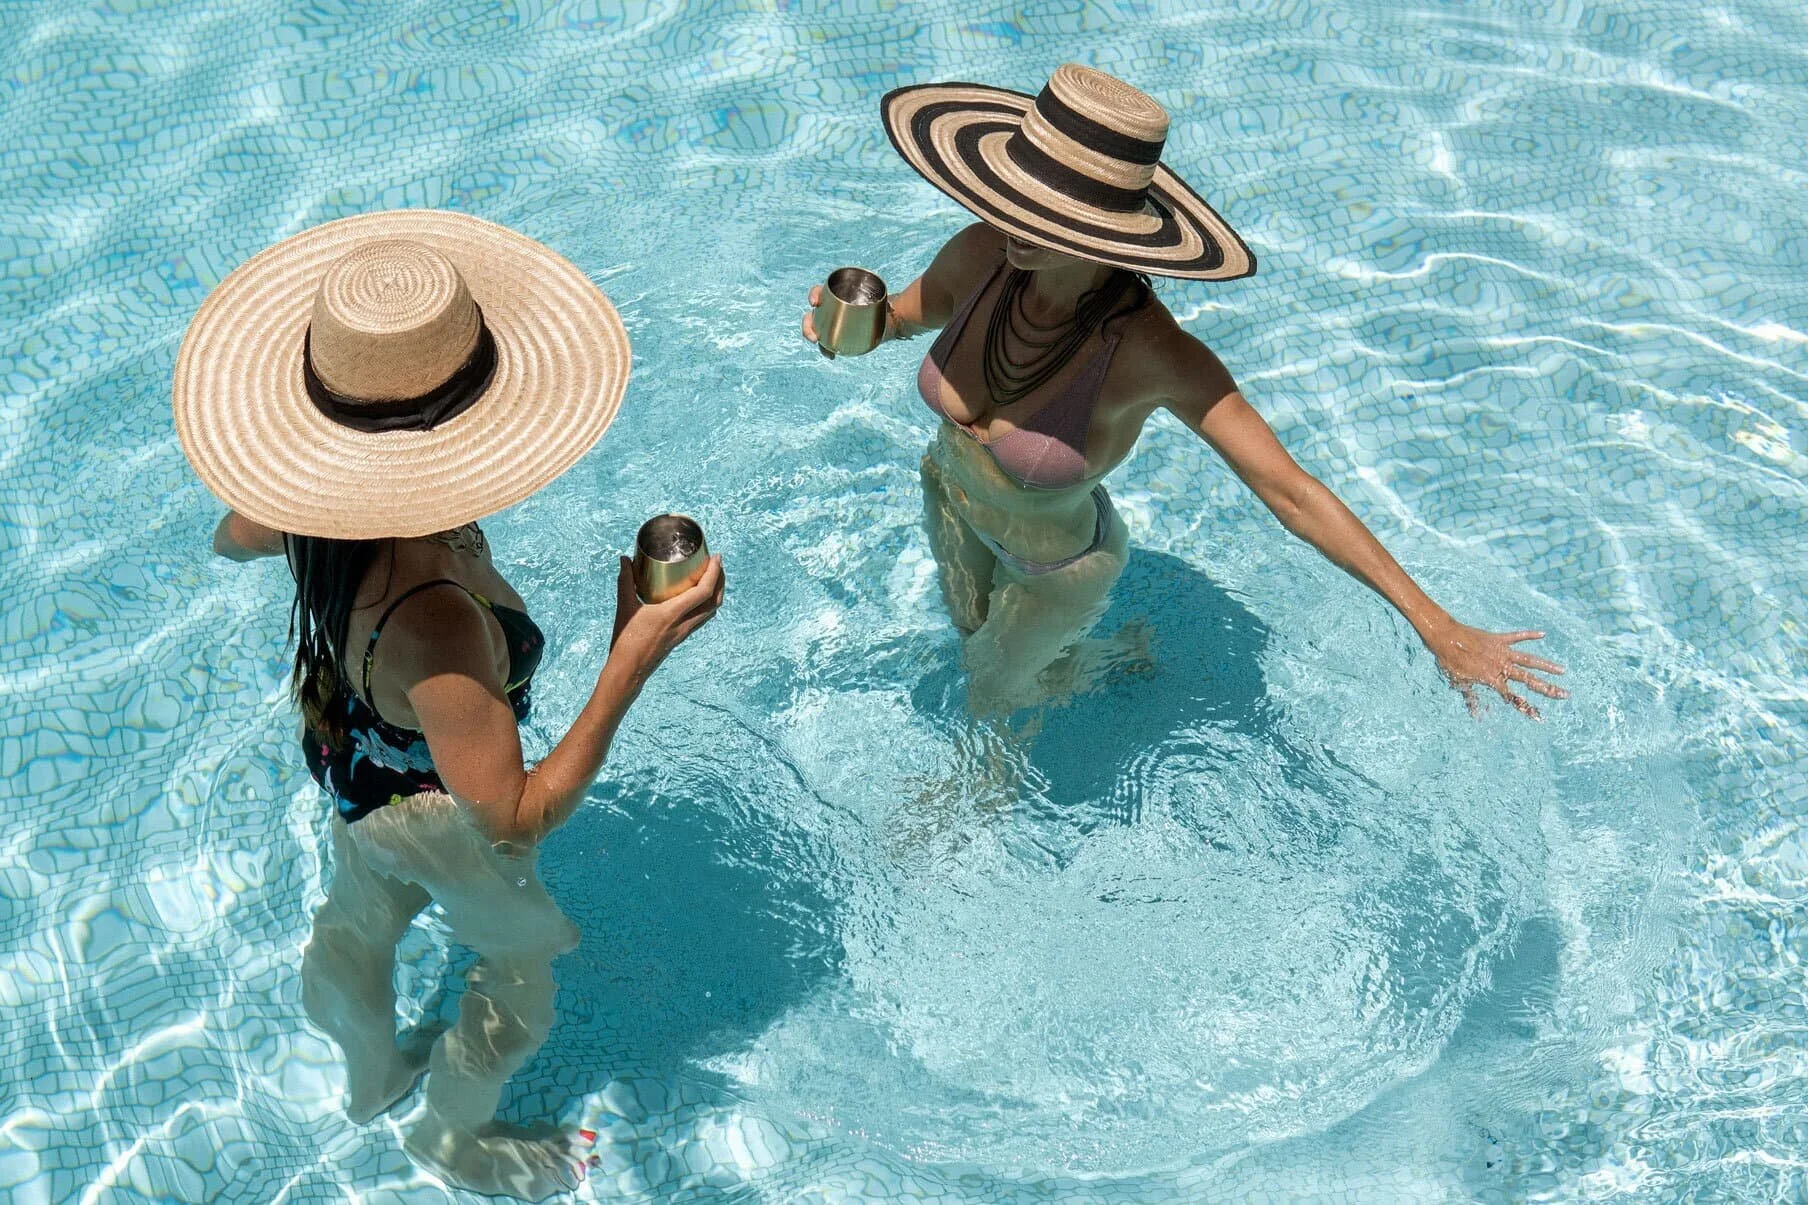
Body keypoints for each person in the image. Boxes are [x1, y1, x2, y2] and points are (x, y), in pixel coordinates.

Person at [175, 212, 723, 1198]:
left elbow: (232, 532)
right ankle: (450, 1141)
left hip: (357, 769)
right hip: (433, 808)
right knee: (524, 984)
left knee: (357, 920)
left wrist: (314, 504)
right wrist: (629, 659)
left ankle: (370, 1075)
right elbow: (511, 816)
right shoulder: (434, 623)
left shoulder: (310, 509)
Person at [804, 64, 1566, 719]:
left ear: (1105, 228)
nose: (1012, 218)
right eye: (1013, 192)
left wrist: (1437, 625)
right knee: (971, 638)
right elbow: (900, 317)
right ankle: (1103, 659)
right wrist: (852, 324)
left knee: (991, 699)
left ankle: (980, 808)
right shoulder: (983, 254)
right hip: (950, 496)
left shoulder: (1152, 353)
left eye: (1044, 209)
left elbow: (1292, 492)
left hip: (1052, 570)